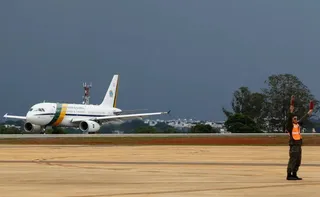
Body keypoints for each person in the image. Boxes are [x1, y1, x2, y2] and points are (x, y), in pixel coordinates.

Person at [286, 97, 313, 180]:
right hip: (293, 144)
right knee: (293, 159)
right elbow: (289, 115)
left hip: (298, 144)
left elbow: (305, 117)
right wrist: (292, 105)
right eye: (294, 118)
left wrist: (310, 110)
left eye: (296, 118)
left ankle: (294, 173)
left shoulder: (297, 125)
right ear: (291, 119)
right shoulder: (290, 126)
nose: (296, 119)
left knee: (298, 160)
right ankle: (289, 174)